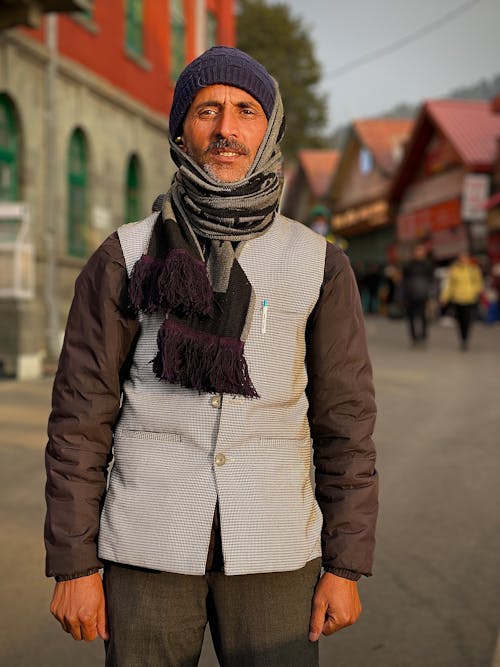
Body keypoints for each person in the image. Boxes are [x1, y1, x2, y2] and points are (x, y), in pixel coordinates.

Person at [45, 47, 378, 667]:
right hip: (146, 543)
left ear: (269, 129)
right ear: (181, 130)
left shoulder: (318, 262)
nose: (227, 128)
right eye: (208, 111)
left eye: (246, 111)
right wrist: (73, 564)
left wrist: (346, 563)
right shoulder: (125, 256)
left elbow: (346, 420)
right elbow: (80, 419)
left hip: (275, 546)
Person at [440, 251, 484, 350]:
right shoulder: (454, 270)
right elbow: (449, 285)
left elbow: (479, 282)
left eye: (465, 258)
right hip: (458, 297)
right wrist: (445, 297)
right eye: (461, 258)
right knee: (460, 320)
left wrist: (475, 291)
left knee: (467, 319)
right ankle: (462, 338)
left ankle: (466, 338)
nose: (463, 260)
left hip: (469, 298)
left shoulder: (473, 269)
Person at [401, 243, 435, 346]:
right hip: (410, 295)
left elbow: (432, 282)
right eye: (417, 251)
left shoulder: (428, 265)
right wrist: (403, 295)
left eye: (421, 251)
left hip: (423, 295)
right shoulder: (408, 266)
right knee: (411, 317)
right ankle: (414, 338)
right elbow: (404, 281)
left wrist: (431, 296)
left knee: (424, 316)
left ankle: (423, 336)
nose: (419, 253)